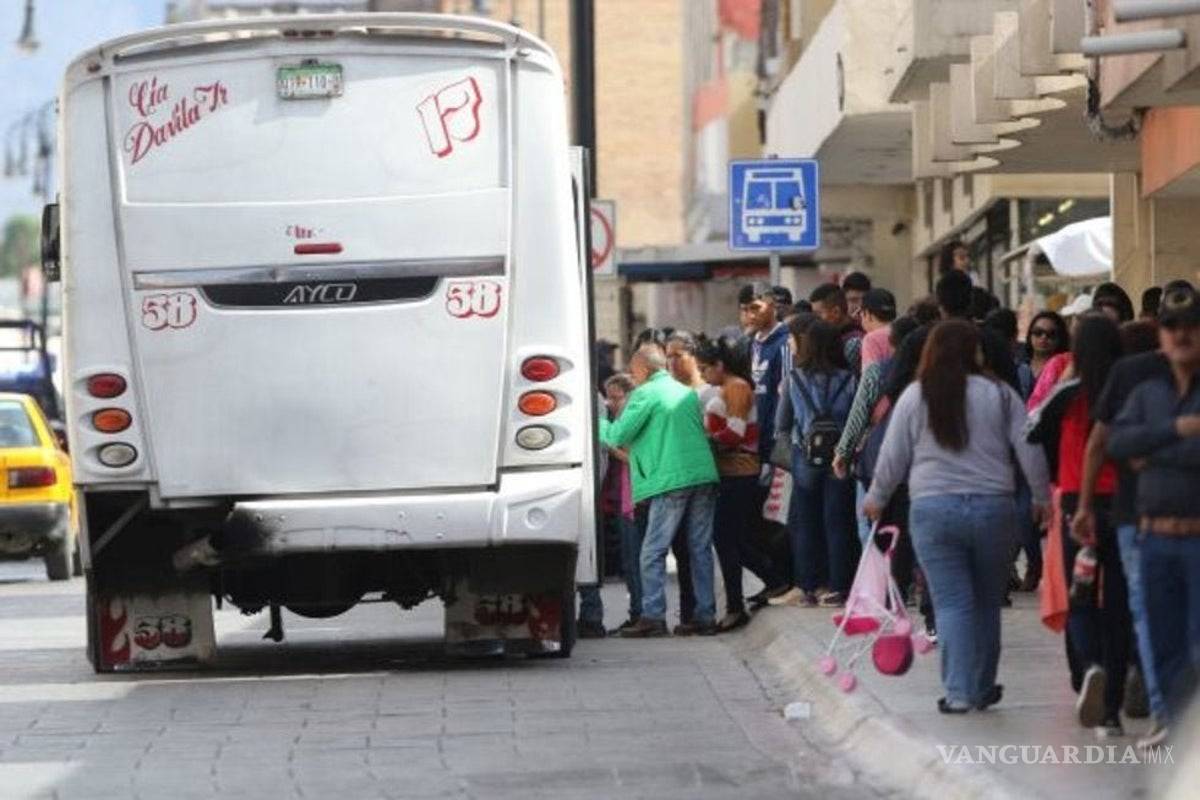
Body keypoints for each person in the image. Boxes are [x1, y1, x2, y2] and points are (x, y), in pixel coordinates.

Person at [864, 321, 1050, 714]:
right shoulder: (1001, 395)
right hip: (993, 510)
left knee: (951, 603)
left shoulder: (916, 396)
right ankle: (982, 686)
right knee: (985, 602)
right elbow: (1029, 449)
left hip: (933, 511)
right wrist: (1040, 497)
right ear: (976, 353)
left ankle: (959, 691)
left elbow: (893, 454)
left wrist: (877, 497)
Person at [1107, 284, 1200, 747]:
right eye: (1171, 326)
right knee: (1163, 643)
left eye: (1191, 326)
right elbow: (1118, 445)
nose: (1181, 335)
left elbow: (1139, 450)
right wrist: (1177, 431)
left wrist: (1155, 451)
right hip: (1155, 538)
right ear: (1159, 333)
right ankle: (1178, 729)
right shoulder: (1146, 394)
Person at [1073, 312, 1172, 743]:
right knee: (1139, 608)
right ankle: (1151, 703)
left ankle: (1137, 704)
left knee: (1133, 608)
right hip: (1136, 513)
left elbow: (1097, 442)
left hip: (1137, 513)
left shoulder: (1127, 372)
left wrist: (1082, 505)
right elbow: (1098, 441)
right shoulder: (1132, 373)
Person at [1044, 314, 1131, 737]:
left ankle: (1090, 666)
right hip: (1124, 503)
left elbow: (1037, 437)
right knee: (1118, 601)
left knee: (1081, 596)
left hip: (1078, 504)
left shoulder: (1067, 394)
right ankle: (1112, 709)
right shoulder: (1127, 391)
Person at [600, 345, 720, 638]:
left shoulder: (645, 394)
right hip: (702, 474)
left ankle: (653, 616)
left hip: (671, 480)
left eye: (633, 369)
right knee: (700, 549)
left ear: (643, 368)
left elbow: (618, 435)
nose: (632, 374)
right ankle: (705, 616)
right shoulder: (683, 391)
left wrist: (597, 422)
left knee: (652, 551)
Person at [773, 319, 859, 608]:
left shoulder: (794, 379)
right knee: (838, 524)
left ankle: (808, 586)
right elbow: (855, 421)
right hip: (840, 457)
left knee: (806, 524)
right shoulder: (849, 379)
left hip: (805, 457)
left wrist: (794, 456)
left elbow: (781, 426)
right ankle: (838, 586)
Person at [696, 336, 774, 631]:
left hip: (740, 473)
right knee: (732, 539)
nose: (703, 376)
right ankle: (772, 581)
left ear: (720, 365)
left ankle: (736, 605)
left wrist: (706, 441)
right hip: (730, 473)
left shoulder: (737, 388)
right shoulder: (726, 389)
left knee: (726, 539)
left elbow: (736, 432)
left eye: (706, 368)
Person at [664, 331, 716, 630]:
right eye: (667, 355)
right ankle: (689, 614)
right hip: (674, 479)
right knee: (682, 549)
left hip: (702, 479)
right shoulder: (668, 392)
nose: (671, 362)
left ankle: (705, 613)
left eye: (677, 355)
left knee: (698, 547)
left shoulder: (707, 393)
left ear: (693, 356)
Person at [602, 373, 641, 633]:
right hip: (619, 502)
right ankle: (636, 613)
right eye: (609, 398)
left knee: (636, 561)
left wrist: (608, 443)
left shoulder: (631, 422)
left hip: (634, 501)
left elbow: (631, 458)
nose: (611, 403)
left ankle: (641, 613)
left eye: (617, 398)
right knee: (628, 563)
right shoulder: (616, 421)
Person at [810, 283, 865, 375]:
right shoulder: (829, 337)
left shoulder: (854, 341)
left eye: (818, 314)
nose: (815, 319)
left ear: (836, 312)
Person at [1024, 311, 1072, 392]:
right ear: (1030, 335)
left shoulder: (1066, 370)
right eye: (1038, 332)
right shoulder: (1018, 367)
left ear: (1060, 338)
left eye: (1051, 334)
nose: (1043, 337)